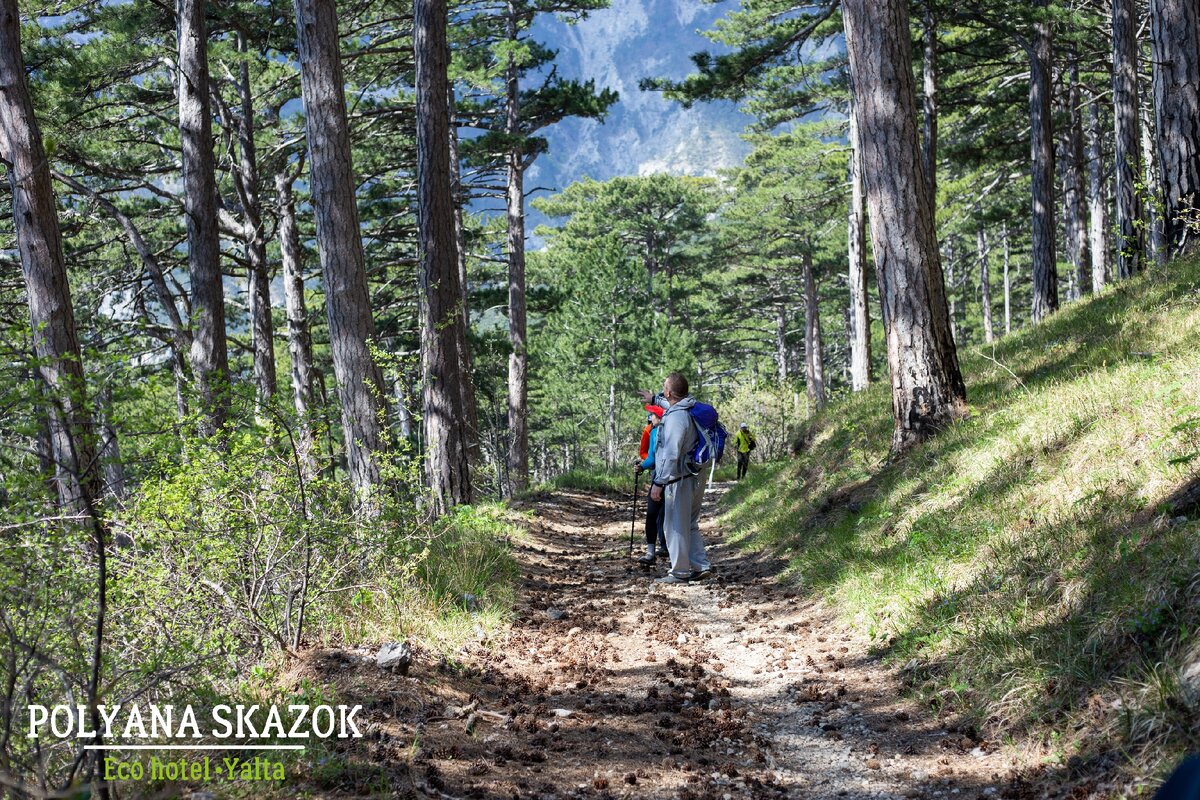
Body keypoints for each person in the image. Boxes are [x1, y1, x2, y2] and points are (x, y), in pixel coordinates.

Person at [649, 372, 712, 584]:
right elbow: (671, 407)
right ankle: (700, 565)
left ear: (668, 391)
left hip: (679, 478)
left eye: (663, 388)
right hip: (694, 474)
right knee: (689, 523)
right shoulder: (688, 407)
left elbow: (671, 454)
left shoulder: (676, 418)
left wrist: (659, 482)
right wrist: (653, 400)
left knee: (674, 525)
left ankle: (679, 572)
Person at [634, 405, 668, 565]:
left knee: (667, 516)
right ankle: (650, 552)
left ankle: (671, 552)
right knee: (652, 514)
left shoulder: (668, 432)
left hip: (671, 480)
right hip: (658, 478)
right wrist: (642, 466)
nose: (650, 417)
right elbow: (652, 458)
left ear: (659, 416)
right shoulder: (653, 432)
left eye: (652, 414)